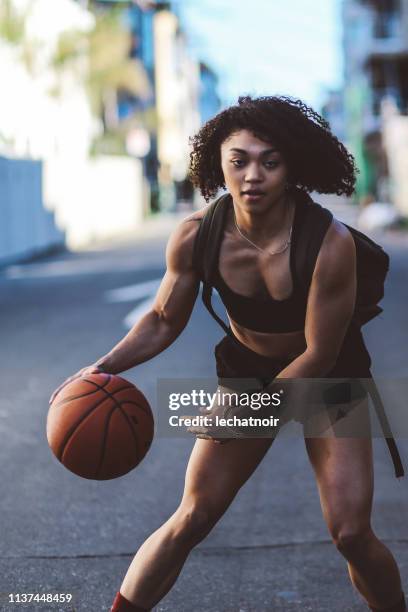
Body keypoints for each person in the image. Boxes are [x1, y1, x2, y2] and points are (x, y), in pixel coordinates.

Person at [51, 96, 405, 612]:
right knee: (192, 517)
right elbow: (163, 319)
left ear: (293, 166)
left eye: (270, 160)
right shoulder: (198, 235)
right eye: (239, 160)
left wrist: (242, 410)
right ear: (219, 164)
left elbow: (320, 356)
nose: (253, 175)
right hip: (247, 369)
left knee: (350, 532)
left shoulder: (329, 243)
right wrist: (104, 366)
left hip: (331, 379)